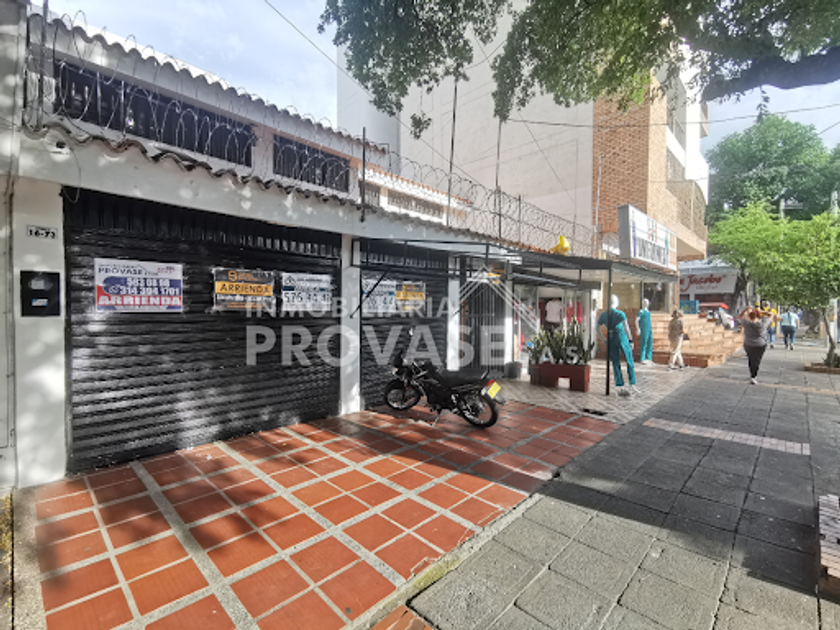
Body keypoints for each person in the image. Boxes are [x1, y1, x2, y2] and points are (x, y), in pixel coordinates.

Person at [597, 294, 638, 396]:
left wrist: (604, 340)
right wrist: (630, 340)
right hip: (621, 337)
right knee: (629, 359)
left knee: (616, 362)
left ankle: (620, 386)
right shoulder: (620, 314)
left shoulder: (604, 315)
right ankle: (632, 384)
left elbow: (597, 328)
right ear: (617, 303)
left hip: (611, 338)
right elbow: (626, 328)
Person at [739, 305, 780, 384]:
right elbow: (772, 314)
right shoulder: (763, 324)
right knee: (757, 360)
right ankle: (754, 376)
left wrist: (746, 310)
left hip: (748, 344)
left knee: (751, 359)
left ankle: (752, 375)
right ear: (758, 316)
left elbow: (740, 316)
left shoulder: (746, 323)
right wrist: (762, 312)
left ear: (749, 316)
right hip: (760, 344)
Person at [636, 298, 653, 364]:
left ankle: (649, 358)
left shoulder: (648, 312)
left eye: (647, 302)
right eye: (645, 302)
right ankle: (642, 358)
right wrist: (638, 329)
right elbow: (636, 320)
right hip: (644, 329)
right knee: (644, 343)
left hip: (649, 329)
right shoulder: (641, 311)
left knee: (650, 343)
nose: (646, 304)